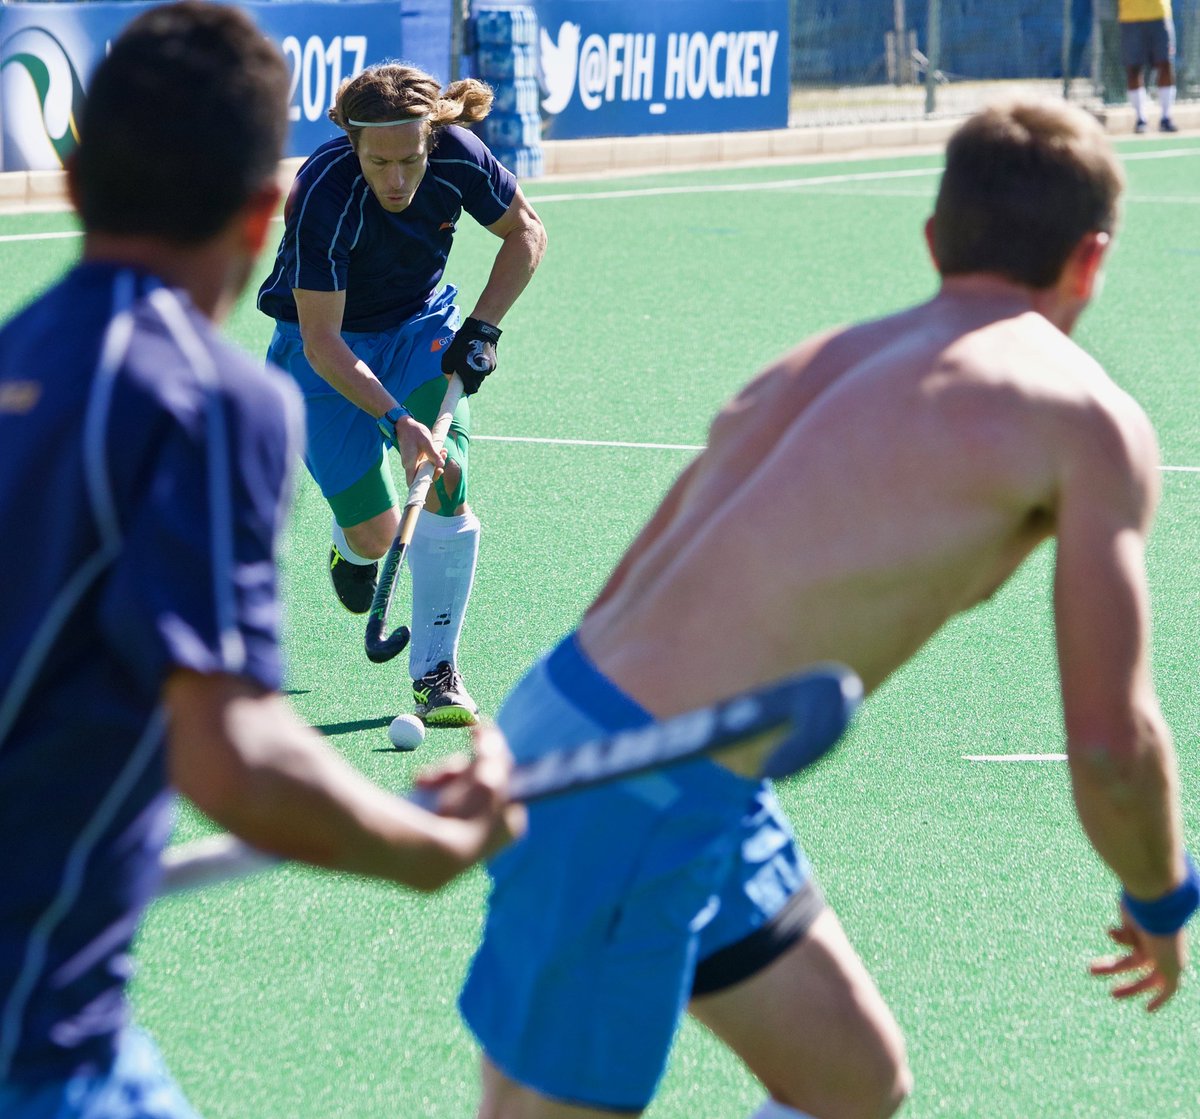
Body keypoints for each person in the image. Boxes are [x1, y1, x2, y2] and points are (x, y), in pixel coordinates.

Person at [458, 96, 1198, 1119]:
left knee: (850, 1082)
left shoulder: (817, 361)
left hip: (610, 731)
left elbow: (632, 590)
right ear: (1092, 260)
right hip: (635, 783)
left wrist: (537, 748)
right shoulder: (1085, 420)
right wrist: (1163, 895)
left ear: (936, 239)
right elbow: (1113, 746)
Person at [0, 6, 523, 1116]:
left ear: (71, 185)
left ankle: (434, 660)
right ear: (260, 222)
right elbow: (230, 757)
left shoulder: (17, 359)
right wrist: (415, 844)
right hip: (39, 1038)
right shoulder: (205, 399)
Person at [257, 62, 547, 729]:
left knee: (447, 479)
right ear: (350, 142)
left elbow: (526, 231)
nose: (397, 181)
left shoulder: (458, 156)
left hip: (420, 328)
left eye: (410, 160)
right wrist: (396, 419)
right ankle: (352, 547)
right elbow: (323, 341)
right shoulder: (322, 194)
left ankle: (436, 672)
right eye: (379, 161)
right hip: (324, 353)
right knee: (379, 533)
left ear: (432, 139)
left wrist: (482, 329)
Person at [1118, 0, 1178, 131]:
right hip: (1130, 17)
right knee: (1133, 68)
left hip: (1160, 14)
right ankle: (1140, 119)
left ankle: (1166, 117)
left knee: (1165, 63)